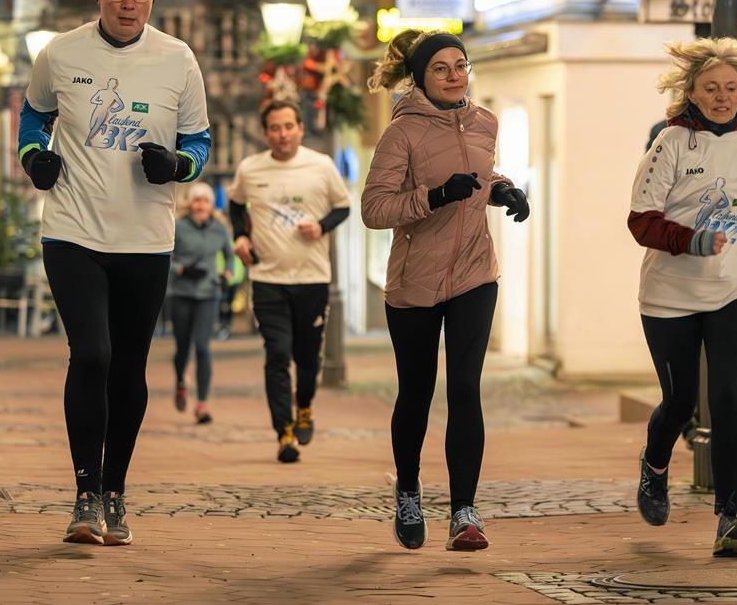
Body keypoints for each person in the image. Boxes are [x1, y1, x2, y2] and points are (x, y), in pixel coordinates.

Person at [18, 0, 210, 546]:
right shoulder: (60, 52)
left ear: (152, 1)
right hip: (73, 229)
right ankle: (85, 492)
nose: (129, 4)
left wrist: (176, 166)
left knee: (129, 365)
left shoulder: (177, 59)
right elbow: (31, 119)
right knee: (92, 355)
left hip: (146, 238)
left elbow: (199, 142)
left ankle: (116, 493)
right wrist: (35, 160)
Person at [361, 30, 530, 552]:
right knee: (416, 392)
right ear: (420, 77)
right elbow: (375, 209)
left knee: (465, 389)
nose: (456, 75)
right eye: (442, 68)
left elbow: (482, 171)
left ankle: (464, 512)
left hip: (475, 275)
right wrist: (433, 196)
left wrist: (501, 189)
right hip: (415, 282)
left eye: (462, 65)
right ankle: (408, 490)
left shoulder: (485, 122)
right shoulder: (402, 132)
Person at [627, 38, 737, 557]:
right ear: (692, 92)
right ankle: (655, 466)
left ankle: (730, 517)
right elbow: (641, 222)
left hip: (736, 290)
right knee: (680, 401)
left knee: (729, 399)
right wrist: (691, 240)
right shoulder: (672, 143)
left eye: (731, 87)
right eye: (711, 88)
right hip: (670, 296)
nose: (722, 96)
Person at [226, 100, 350, 463]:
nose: (282, 134)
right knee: (277, 353)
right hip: (267, 277)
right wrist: (240, 237)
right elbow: (235, 204)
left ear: (300, 128)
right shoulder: (250, 168)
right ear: (266, 134)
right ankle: (284, 432)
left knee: (307, 357)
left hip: (312, 277)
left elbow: (343, 207)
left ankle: (305, 405)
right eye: (275, 128)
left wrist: (321, 226)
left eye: (288, 127)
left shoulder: (321, 165)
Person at [170, 182, 233, 424]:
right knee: (183, 347)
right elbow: (166, 256)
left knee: (203, 347)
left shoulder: (219, 228)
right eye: (196, 201)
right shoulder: (178, 226)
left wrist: (227, 274)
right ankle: (180, 381)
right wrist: (182, 269)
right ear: (190, 204)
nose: (200, 206)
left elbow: (229, 256)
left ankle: (203, 404)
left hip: (209, 293)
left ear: (210, 205)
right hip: (182, 293)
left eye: (205, 201)